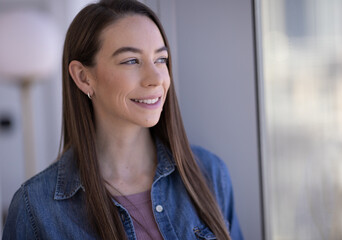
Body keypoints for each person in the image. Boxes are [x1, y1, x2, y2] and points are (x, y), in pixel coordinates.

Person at [2, 0, 243, 239]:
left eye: (161, 59)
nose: (156, 79)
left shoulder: (210, 173)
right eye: (131, 61)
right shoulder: (35, 208)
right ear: (84, 77)